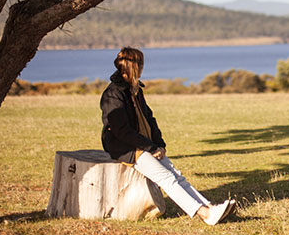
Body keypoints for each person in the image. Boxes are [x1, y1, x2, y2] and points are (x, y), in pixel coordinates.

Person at [100, 47, 234, 225]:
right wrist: (151, 147)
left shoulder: (135, 89)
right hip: (127, 148)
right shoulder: (113, 94)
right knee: (167, 178)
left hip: (144, 145)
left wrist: (159, 144)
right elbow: (121, 131)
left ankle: (209, 207)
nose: (143, 68)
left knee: (177, 176)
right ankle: (205, 214)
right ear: (133, 66)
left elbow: (149, 118)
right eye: (140, 64)